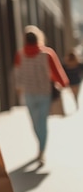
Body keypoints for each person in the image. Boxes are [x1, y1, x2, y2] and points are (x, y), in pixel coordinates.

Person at [14, 25, 69, 165]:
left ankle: (40, 147)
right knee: (42, 122)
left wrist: (19, 88)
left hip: (29, 93)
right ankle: (41, 150)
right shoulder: (47, 53)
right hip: (44, 93)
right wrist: (63, 83)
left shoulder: (20, 55)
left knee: (35, 122)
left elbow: (17, 74)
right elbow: (57, 72)